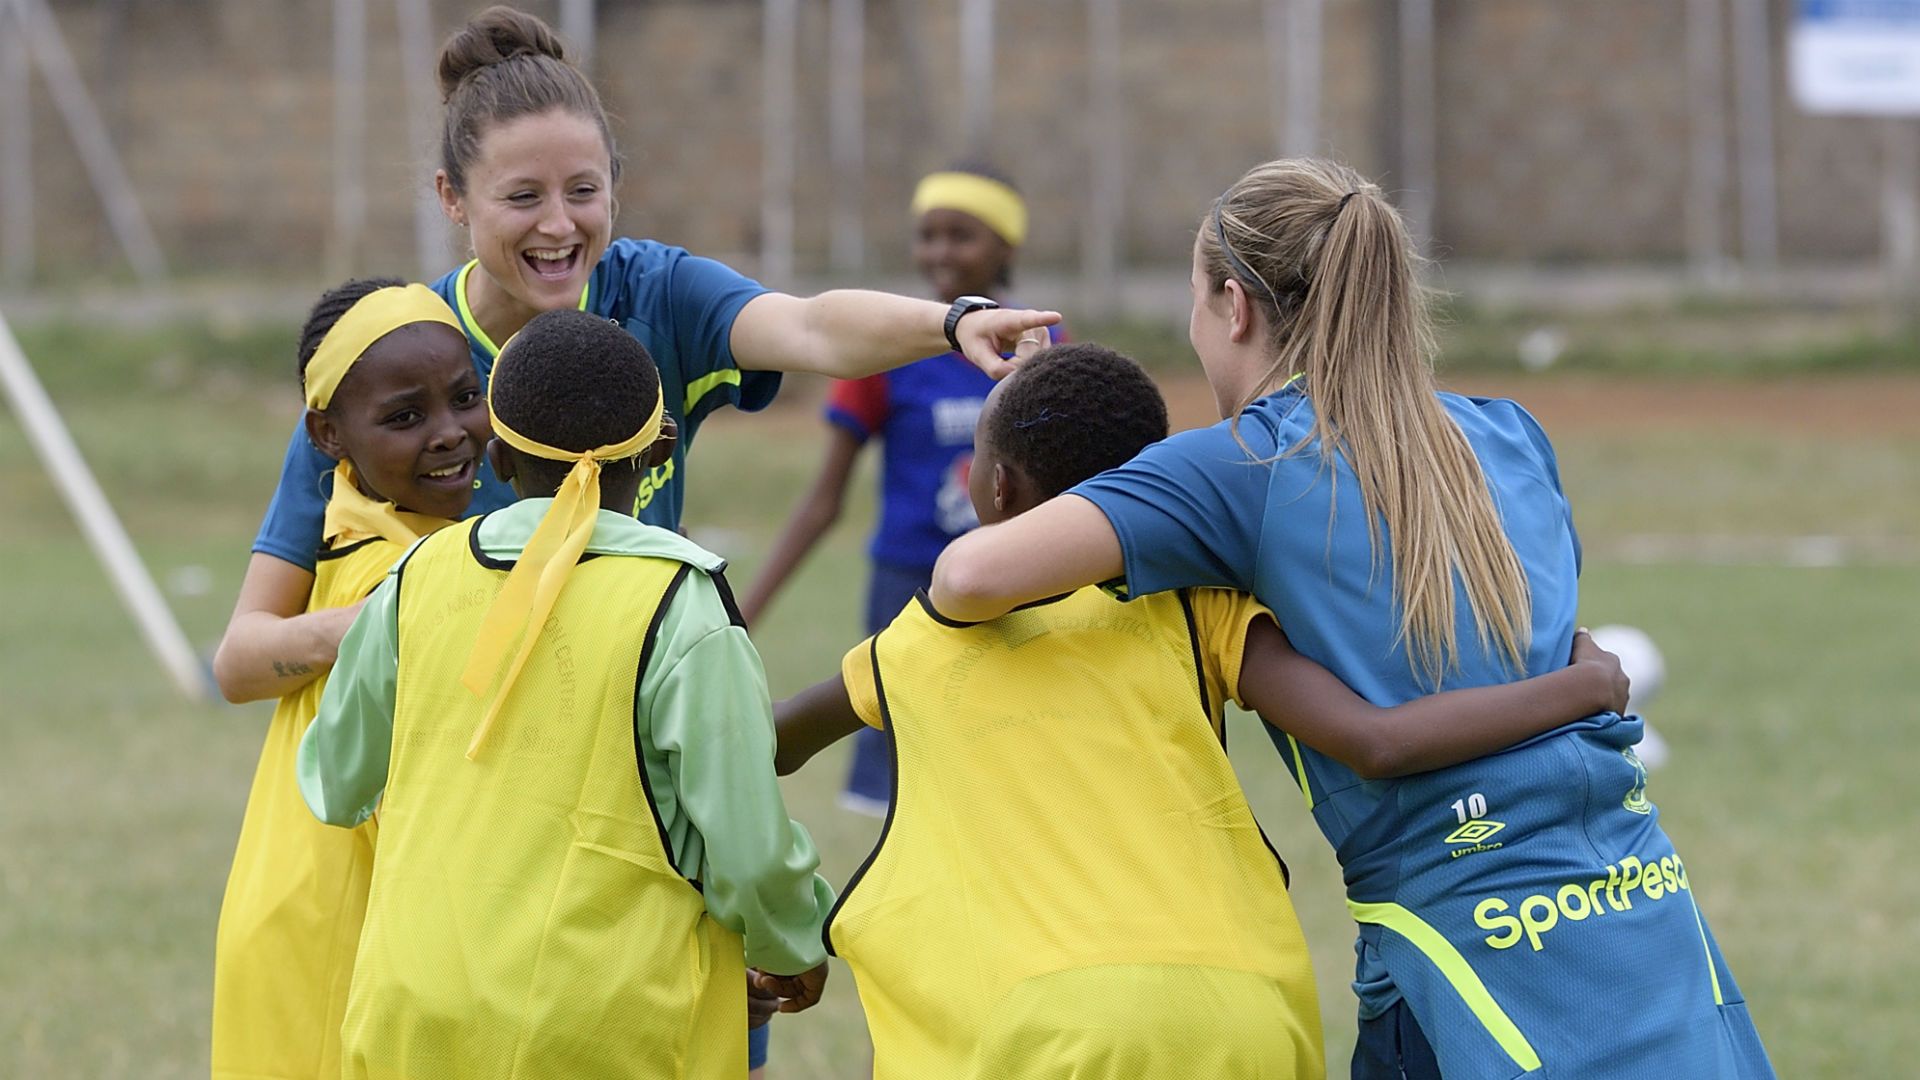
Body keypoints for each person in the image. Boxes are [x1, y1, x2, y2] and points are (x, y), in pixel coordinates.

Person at [927, 161, 1775, 1079]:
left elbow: (969, 577)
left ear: (1233, 305)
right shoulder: (1510, 430)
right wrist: (1580, 686)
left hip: (1468, 943)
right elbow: (1534, 646)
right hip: (1637, 896)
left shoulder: (1234, 467)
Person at [773, 342, 1634, 1080]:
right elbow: (1377, 739)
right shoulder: (1198, 611)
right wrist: (1583, 685)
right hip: (1250, 1014)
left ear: (988, 485)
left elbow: (761, 745)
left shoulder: (914, 647)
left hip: (1040, 1027)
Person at [297, 310, 834, 1079]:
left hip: (412, 1012)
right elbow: (746, 848)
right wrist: (794, 943)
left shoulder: (415, 578)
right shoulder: (680, 604)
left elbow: (334, 782)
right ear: (658, 450)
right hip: (607, 1028)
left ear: (501, 455)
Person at [211, 279, 484, 1080]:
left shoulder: (378, 537)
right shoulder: (404, 573)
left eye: (465, 397)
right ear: (328, 436)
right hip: (331, 937)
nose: (448, 434)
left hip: (320, 924)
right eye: (404, 417)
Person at [741, 164, 1062, 815]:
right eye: (928, 235)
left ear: (1006, 246)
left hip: (1011, 585)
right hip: (908, 588)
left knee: (997, 784)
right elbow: (825, 499)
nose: (940, 252)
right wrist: (741, 616)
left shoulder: (1042, 348)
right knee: (901, 789)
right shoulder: (885, 354)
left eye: (961, 235)